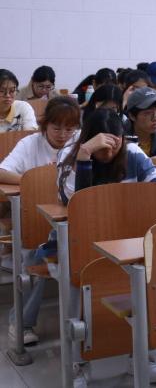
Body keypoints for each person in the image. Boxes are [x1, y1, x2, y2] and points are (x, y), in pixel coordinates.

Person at [1, 96, 81, 346]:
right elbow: (2, 171)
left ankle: (84, 324)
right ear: (45, 125)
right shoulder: (30, 144)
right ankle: (21, 323)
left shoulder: (81, 143)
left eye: (69, 128)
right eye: (57, 128)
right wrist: (35, 181)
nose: (63, 135)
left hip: (74, 223)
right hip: (37, 221)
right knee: (35, 256)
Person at [57, 108, 156, 205]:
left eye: (114, 146)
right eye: (101, 148)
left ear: (122, 138)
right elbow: (71, 201)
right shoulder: (70, 154)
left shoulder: (131, 151)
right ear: (88, 140)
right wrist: (83, 157)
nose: (108, 153)